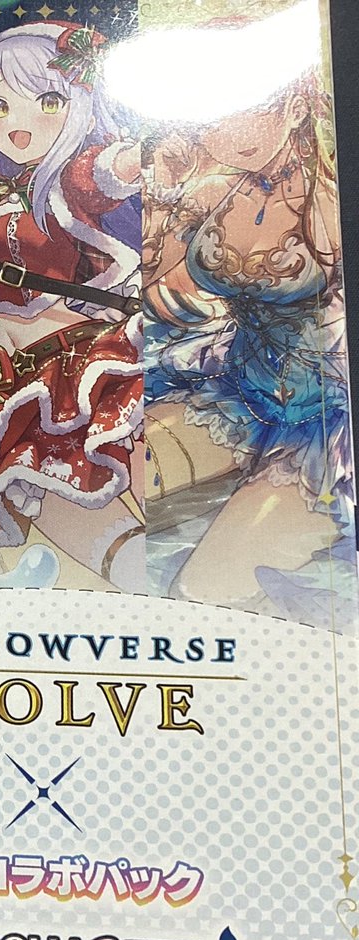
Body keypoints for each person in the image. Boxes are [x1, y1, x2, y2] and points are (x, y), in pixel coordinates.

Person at [144, 69, 353, 624]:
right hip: (236, 394)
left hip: (328, 431)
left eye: (254, 105)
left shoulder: (332, 197)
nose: (233, 129)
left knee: (202, 595)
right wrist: (163, 189)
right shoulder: (213, 191)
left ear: (295, 105)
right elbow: (146, 285)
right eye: (215, 112)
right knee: (113, 476)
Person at [0, 22, 145, 589]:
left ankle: (153, 593)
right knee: (34, 487)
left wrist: (137, 154)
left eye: (48, 101)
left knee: (76, 474)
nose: (17, 122)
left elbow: (107, 174)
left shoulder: (64, 185)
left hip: (68, 363)